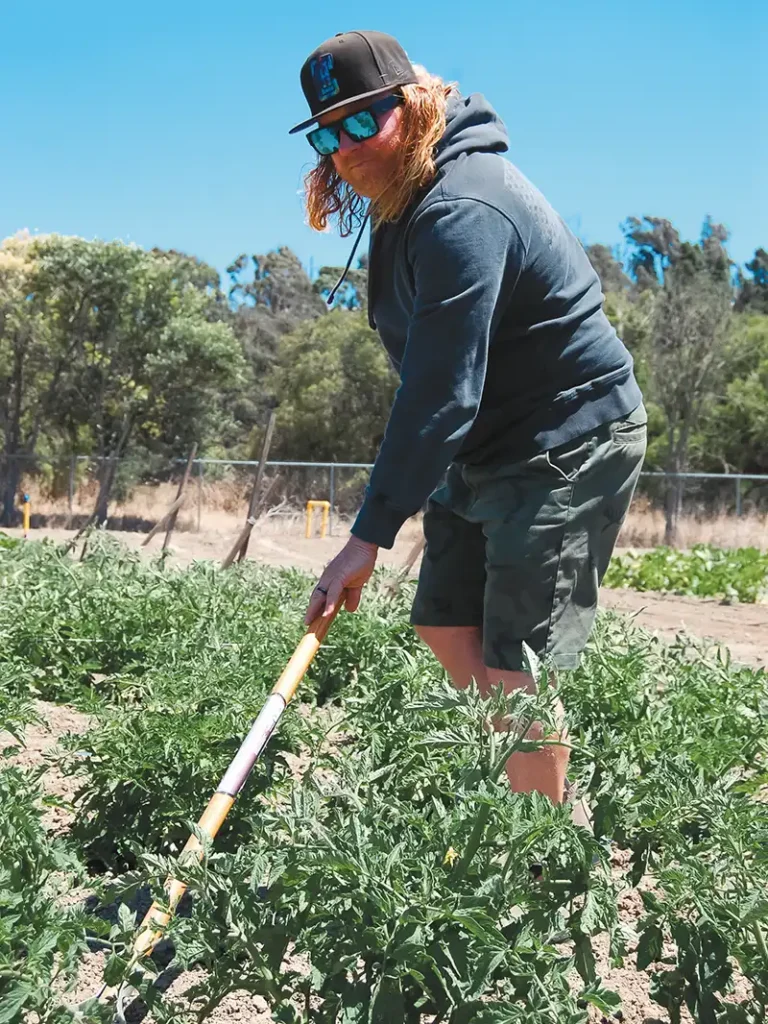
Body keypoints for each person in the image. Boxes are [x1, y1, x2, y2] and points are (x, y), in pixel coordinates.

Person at [289, 30, 646, 816]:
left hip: (566, 441)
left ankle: (540, 862)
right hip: (485, 440)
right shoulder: (402, 193)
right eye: (326, 133)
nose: (344, 147)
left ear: (413, 106)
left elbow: (440, 390)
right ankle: (522, 772)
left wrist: (366, 537)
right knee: (446, 625)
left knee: (518, 666)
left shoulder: (462, 207)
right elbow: (442, 387)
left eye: (360, 121)